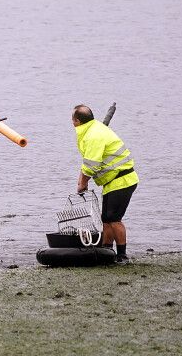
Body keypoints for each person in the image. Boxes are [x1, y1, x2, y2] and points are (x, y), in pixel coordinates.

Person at [72, 104, 138, 264]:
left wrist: (82, 184)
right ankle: (106, 250)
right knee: (105, 219)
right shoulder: (92, 129)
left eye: (72, 118)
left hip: (123, 180)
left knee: (114, 218)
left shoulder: (93, 135)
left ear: (77, 121)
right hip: (112, 181)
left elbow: (91, 165)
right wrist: (81, 181)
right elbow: (87, 161)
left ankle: (122, 255)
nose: (71, 121)